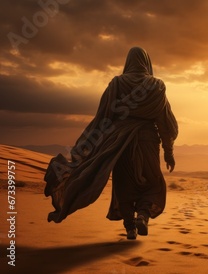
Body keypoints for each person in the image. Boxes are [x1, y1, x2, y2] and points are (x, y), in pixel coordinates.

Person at [44, 47, 178, 240]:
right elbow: (165, 122)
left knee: (123, 185)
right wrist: (168, 151)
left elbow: (103, 116)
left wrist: (90, 144)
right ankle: (143, 214)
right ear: (147, 63)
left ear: (128, 62)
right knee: (153, 182)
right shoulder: (156, 86)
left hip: (119, 142)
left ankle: (130, 227)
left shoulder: (117, 84)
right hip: (147, 142)